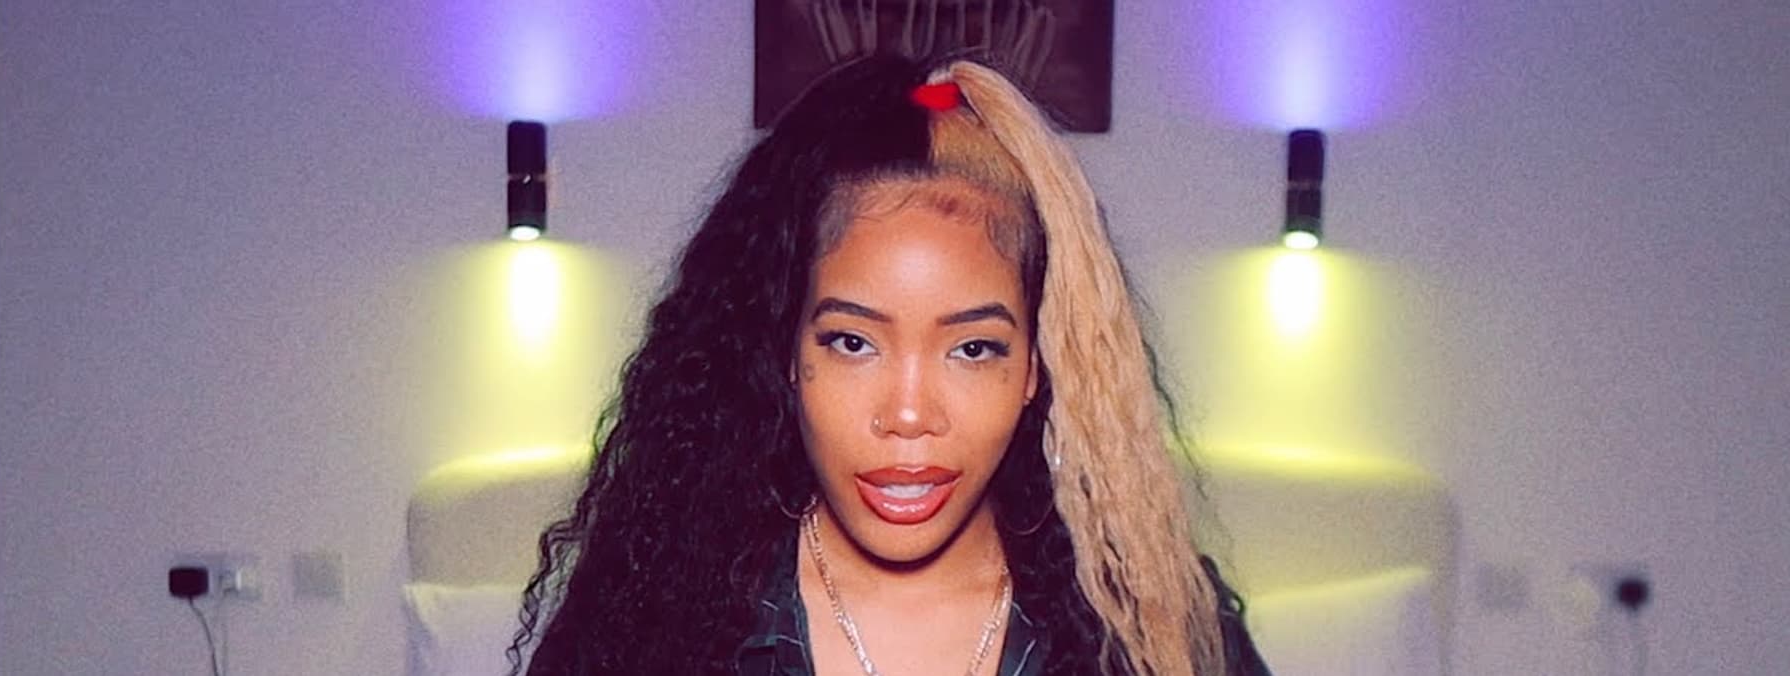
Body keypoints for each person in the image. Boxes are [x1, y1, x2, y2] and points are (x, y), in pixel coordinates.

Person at [509, 54, 1272, 675]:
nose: (909, 414)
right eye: (853, 342)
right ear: (785, 350)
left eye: (973, 348)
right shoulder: (654, 623)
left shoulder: (1153, 628)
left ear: (1036, 369)